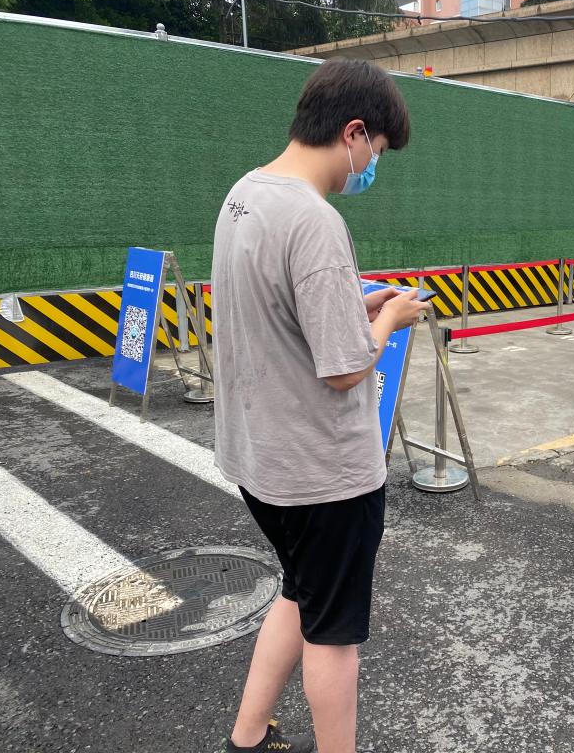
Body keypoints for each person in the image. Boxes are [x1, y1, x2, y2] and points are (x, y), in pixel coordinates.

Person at [211, 59, 430, 753]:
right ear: (353, 132)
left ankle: (247, 736)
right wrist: (390, 317)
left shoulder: (245, 193)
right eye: (377, 150)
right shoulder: (315, 219)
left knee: (299, 591)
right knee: (334, 637)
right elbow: (345, 369)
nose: (372, 166)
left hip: (260, 462)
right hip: (323, 475)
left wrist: (355, 304)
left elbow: (278, 313)